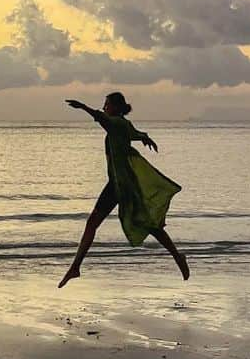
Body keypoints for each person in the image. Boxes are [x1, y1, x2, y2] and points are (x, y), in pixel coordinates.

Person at [58, 92, 189, 287]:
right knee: (103, 223)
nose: (104, 108)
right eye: (104, 105)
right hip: (117, 184)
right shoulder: (123, 125)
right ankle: (75, 267)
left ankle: (178, 257)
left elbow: (101, 118)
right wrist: (145, 137)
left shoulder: (116, 124)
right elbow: (135, 133)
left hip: (124, 186)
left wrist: (83, 107)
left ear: (117, 108)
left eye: (107, 104)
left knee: (143, 225)